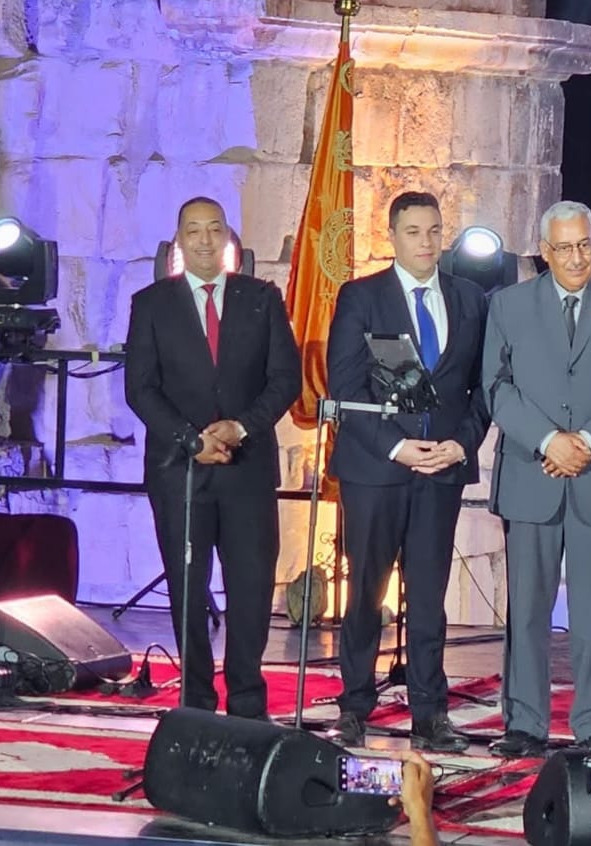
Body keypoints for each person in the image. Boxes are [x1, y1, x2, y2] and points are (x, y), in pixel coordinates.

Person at [483, 200, 591, 758]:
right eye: (564, 248)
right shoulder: (508, 305)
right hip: (531, 476)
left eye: (585, 245)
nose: (577, 257)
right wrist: (547, 440)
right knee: (526, 610)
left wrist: (586, 442)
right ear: (544, 251)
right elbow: (496, 386)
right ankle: (525, 723)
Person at [326, 191, 491, 751]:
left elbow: (482, 389)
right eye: (414, 231)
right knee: (365, 592)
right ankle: (355, 705)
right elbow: (345, 389)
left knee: (428, 598)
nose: (426, 242)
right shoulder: (362, 296)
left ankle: (429, 712)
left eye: (434, 230)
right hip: (377, 470)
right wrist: (398, 447)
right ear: (392, 235)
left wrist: (460, 445)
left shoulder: (470, 298)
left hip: (440, 471)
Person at [124, 196, 300, 719]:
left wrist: (241, 426)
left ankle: (247, 702)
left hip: (247, 470)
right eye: (193, 230)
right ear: (178, 241)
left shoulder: (262, 299)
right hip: (180, 472)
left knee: (251, 587)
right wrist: (192, 440)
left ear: (228, 238)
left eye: (214, 229)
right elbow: (140, 388)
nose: (204, 240)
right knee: (187, 587)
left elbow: (285, 378)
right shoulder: (152, 304)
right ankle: (196, 701)